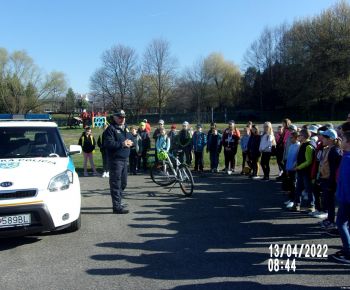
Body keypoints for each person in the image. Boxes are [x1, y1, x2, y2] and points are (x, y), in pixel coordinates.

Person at [104, 110, 133, 214]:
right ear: (115, 117)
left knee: (123, 183)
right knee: (116, 184)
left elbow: (130, 139)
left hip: (125, 160)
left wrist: (132, 141)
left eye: (124, 117)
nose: (123, 119)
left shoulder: (125, 127)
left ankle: (118, 202)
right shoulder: (110, 129)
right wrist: (122, 144)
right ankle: (116, 207)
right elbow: (108, 144)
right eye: (120, 117)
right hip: (115, 160)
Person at [330, 131, 350, 265]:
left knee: (341, 223)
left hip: (347, 199)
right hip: (345, 197)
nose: (340, 141)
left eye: (342, 139)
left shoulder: (348, 159)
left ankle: (348, 252)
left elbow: (347, 182)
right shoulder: (346, 156)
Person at [318, 129, 342, 230]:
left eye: (324, 137)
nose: (322, 139)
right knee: (328, 201)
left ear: (331, 139)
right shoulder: (329, 149)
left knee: (330, 202)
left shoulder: (334, 151)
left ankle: (332, 221)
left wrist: (331, 183)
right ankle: (329, 219)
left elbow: (334, 170)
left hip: (330, 181)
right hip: (326, 179)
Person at [292, 129, 316, 212]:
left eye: (299, 135)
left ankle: (311, 205)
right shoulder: (302, 144)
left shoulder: (308, 146)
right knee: (298, 188)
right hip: (301, 171)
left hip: (306, 172)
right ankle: (296, 204)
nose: (298, 137)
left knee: (308, 189)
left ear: (304, 136)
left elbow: (308, 161)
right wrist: (296, 163)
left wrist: (298, 167)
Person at [284, 131, 300, 209]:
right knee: (290, 184)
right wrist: (287, 168)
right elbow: (289, 157)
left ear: (296, 138)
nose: (290, 139)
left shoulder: (298, 146)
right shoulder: (291, 146)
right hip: (289, 167)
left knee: (293, 185)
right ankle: (290, 199)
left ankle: (293, 200)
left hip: (294, 169)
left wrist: (295, 166)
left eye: (291, 137)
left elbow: (297, 158)